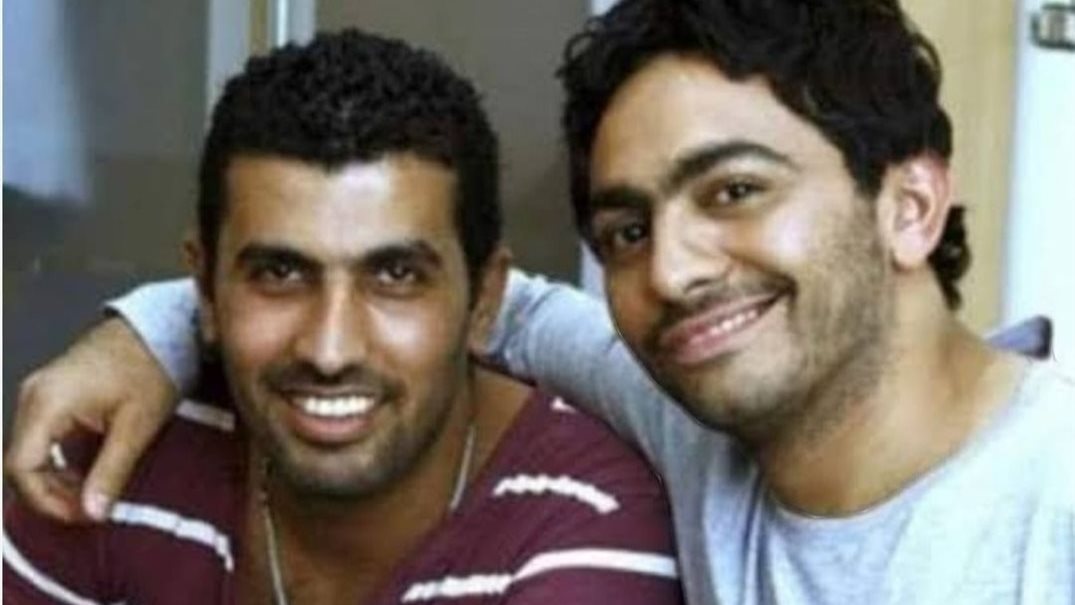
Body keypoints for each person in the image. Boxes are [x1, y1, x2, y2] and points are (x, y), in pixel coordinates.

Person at [7, 0, 1075, 603]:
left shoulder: (1048, 503)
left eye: (734, 191)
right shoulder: (685, 404)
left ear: (909, 203)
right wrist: (152, 331)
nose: (673, 271)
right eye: (626, 229)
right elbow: (462, 299)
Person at [1, 29, 683, 605]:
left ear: (484, 299)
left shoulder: (581, 524)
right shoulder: (119, 459)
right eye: (280, 272)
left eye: (395, 276)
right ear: (204, 287)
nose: (330, 349)